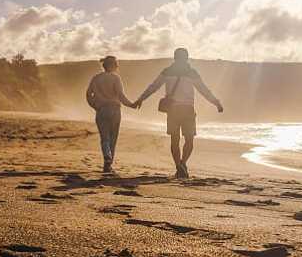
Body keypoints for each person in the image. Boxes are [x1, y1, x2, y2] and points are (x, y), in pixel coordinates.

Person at [134, 48, 223, 178]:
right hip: (187, 109)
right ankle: (182, 163)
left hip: (173, 110)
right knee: (189, 139)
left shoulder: (167, 71)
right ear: (187, 58)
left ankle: (178, 166)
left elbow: (153, 86)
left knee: (174, 140)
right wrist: (216, 103)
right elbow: (204, 90)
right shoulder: (191, 72)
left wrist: (141, 99)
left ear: (175, 58)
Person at [86, 56, 139, 173]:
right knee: (113, 138)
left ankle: (106, 156)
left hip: (101, 110)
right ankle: (108, 165)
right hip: (114, 110)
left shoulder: (96, 78)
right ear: (113, 65)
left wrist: (95, 106)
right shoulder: (115, 78)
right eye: (116, 65)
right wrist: (132, 105)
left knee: (104, 137)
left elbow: (89, 94)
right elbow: (120, 96)